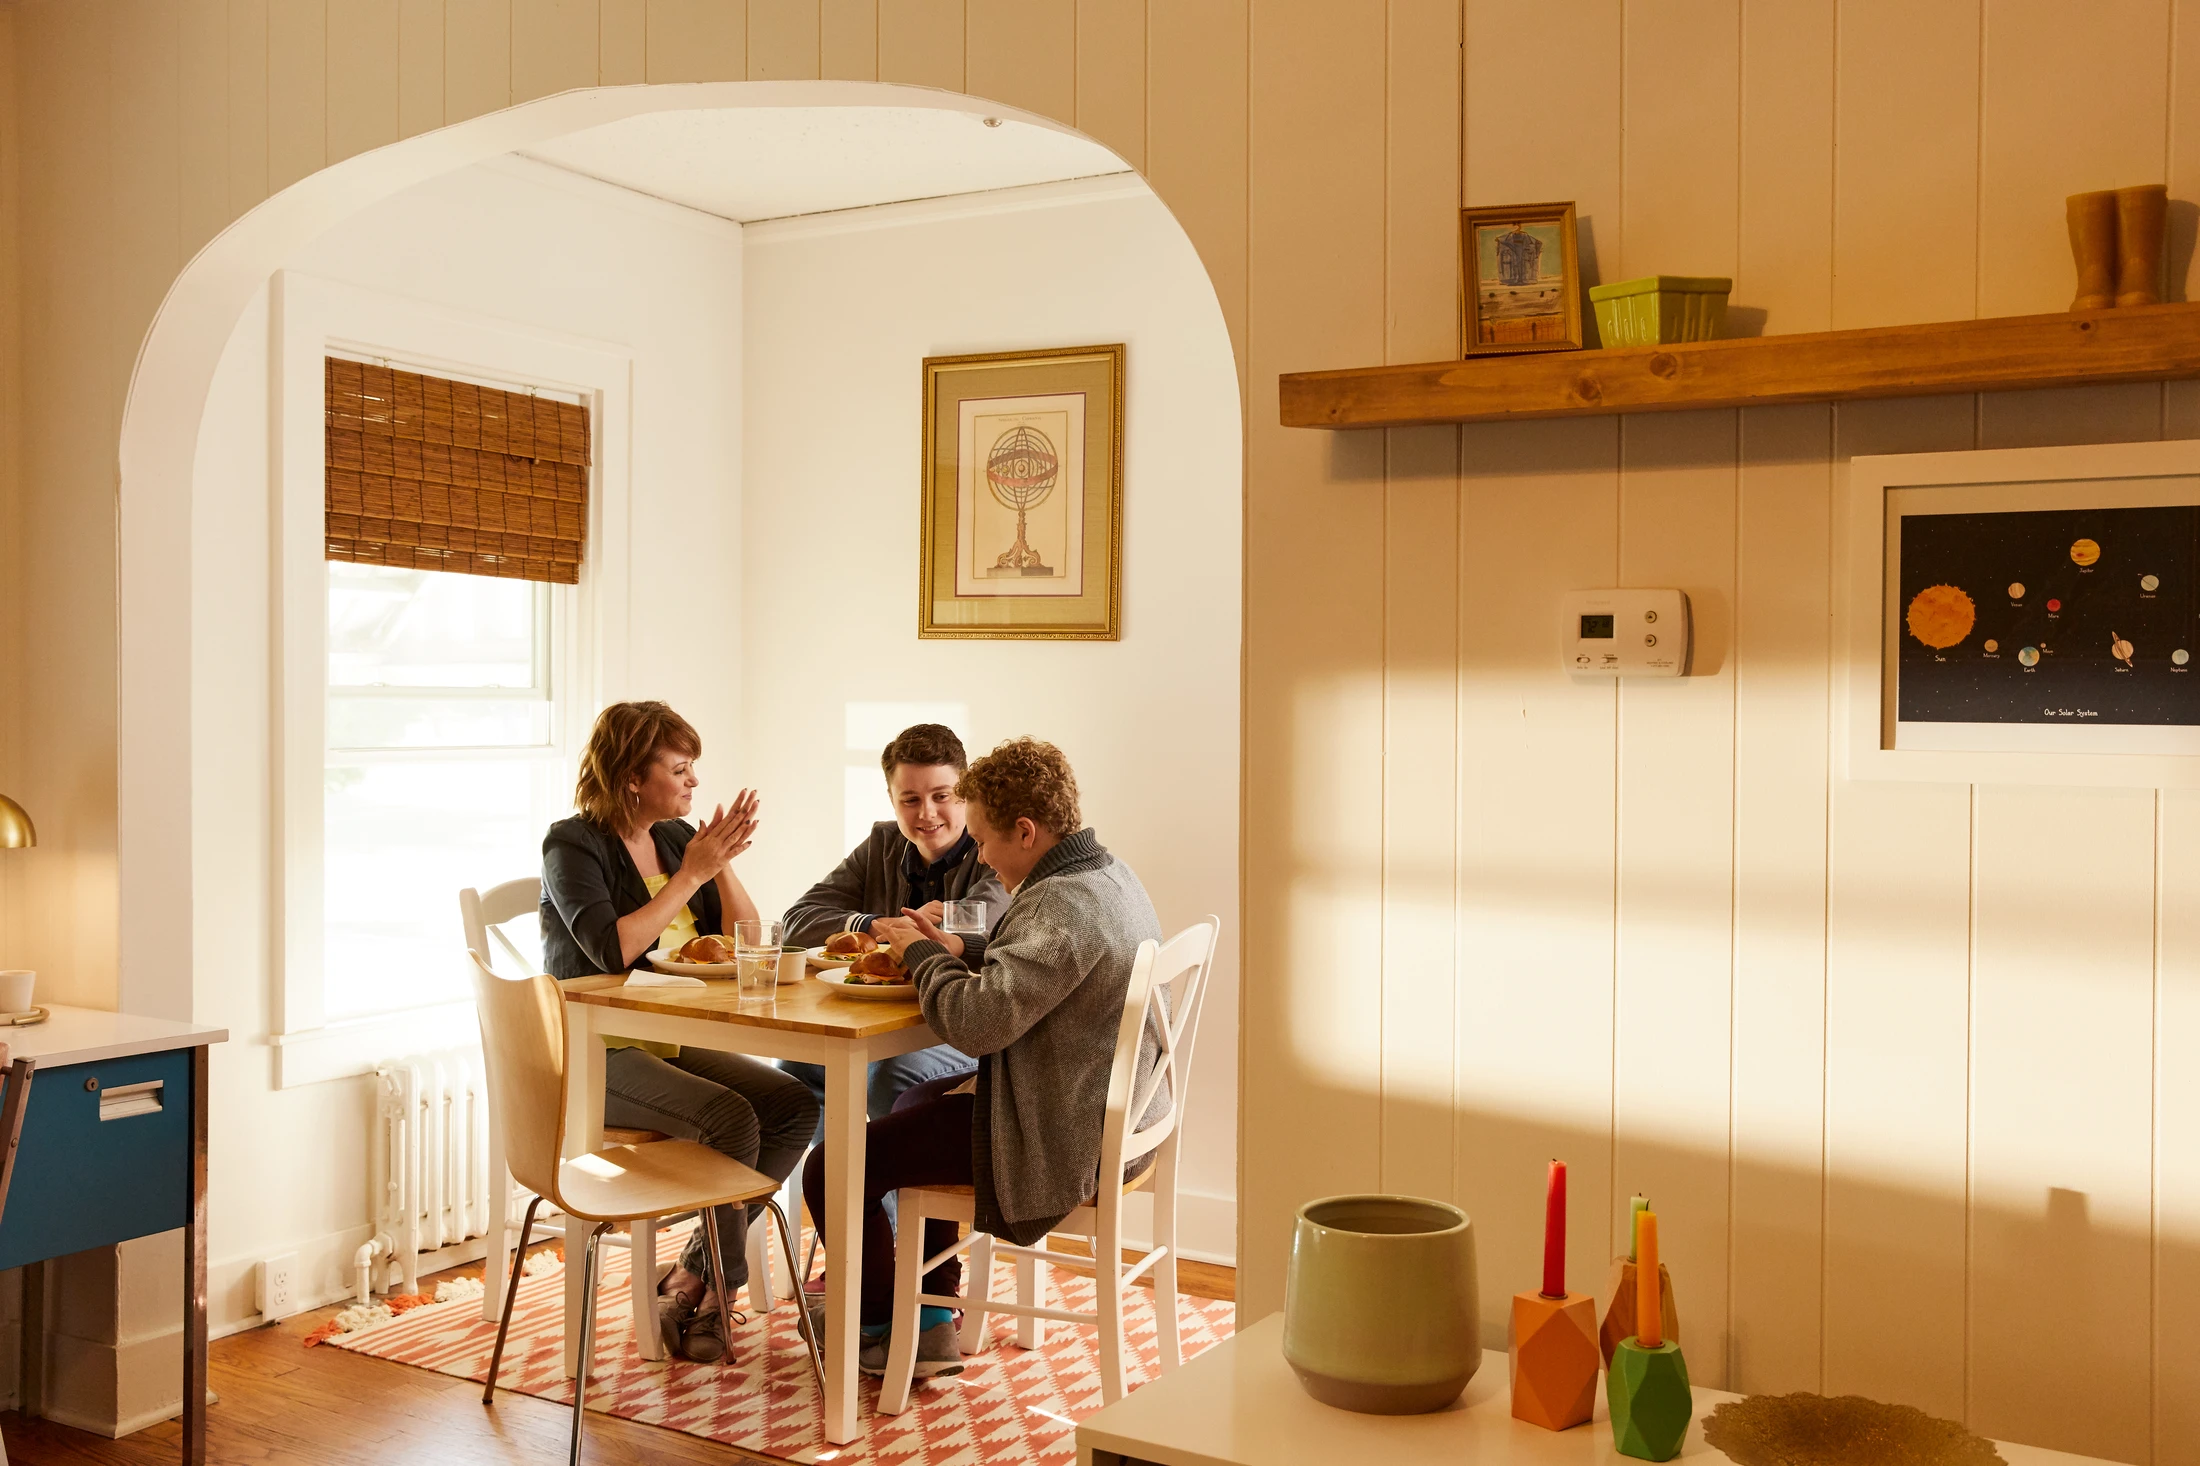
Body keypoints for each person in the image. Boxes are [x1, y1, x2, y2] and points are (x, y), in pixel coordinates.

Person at [801, 737, 1166, 1379]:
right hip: (1113, 1115)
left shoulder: (1060, 903)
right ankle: (935, 1318)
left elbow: (975, 1025)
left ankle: (883, 1327)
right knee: (915, 1100)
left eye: (986, 840)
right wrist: (957, 951)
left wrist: (920, 954)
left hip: (1065, 1137)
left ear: (1025, 831)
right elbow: (1036, 971)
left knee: (833, 1166)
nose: (983, 857)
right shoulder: (1104, 873)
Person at [539, 700, 820, 1364]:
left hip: (669, 1034)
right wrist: (692, 870)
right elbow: (613, 950)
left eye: (693, 769)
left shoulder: (673, 839)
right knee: (730, 1119)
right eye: (680, 768)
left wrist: (718, 860)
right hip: (596, 1050)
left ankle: (693, 1273)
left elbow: (746, 938)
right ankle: (719, 1294)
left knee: (791, 1106)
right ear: (633, 775)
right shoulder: (571, 844)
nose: (693, 782)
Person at [781, 723, 1007, 1121]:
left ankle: (886, 1184)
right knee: (799, 1069)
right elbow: (797, 920)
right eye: (910, 799)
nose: (927, 813)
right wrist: (878, 925)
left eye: (942, 796)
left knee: (890, 1076)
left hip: (963, 1024)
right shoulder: (882, 844)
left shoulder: (994, 849)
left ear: (966, 794)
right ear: (890, 799)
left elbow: (984, 929)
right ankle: (832, 1185)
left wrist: (936, 933)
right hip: (879, 1021)